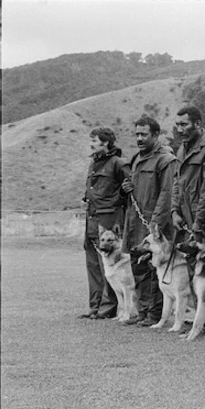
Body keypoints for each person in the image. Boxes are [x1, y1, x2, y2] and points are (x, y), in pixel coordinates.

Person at [170, 106, 205, 331]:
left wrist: (199, 220)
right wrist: (174, 210)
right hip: (190, 221)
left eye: (184, 124)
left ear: (198, 124)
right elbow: (177, 183)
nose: (180, 129)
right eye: (178, 125)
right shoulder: (183, 150)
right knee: (196, 270)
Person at [121, 116, 178, 327]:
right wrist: (125, 188)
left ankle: (155, 314)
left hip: (154, 226)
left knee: (156, 269)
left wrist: (155, 225)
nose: (139, 138)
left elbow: (167, 193)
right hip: (135, 221)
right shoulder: (136, 159)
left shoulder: (166, 160)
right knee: (139, 267)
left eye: (143, 134)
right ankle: (143, 311)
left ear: (156, 135)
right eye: (136, 134)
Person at [79, 127, 129, 320]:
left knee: (108, 262)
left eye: (94, 141)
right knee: (92, 262)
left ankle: (108, 308)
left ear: (106, 143)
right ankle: (95, 306)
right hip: (91, 218)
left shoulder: (119, 163)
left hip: (109, 218)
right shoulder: (93, 163)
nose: (91, 144)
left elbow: (128, 190)